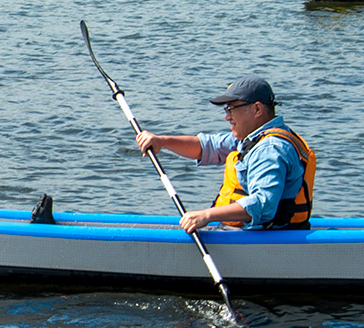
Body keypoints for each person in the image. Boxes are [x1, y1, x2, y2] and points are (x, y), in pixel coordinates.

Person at [133, 76, 317, 233]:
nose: (227, 117)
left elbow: (263, 205)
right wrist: (162, 141)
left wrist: (206, 215)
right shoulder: (253, 138)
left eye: (231, 109)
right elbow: (207, 147)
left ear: (257, 110)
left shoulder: (270, 149)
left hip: (266, 241)